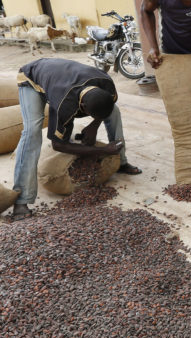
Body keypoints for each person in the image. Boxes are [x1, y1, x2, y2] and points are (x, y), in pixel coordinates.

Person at [10, 58, 142, 220]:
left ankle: (121, 161)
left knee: (114, 111)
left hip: (62, 75)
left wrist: (94, 126)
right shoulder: (63, 105)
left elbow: (107, 107)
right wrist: (101, 151)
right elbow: (58, 145)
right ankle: (21, 199)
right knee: (31, 132)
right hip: (31, 78)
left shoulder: (107, 84)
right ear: (83, 108)